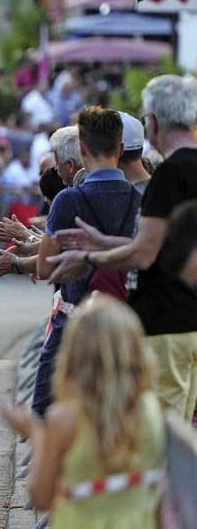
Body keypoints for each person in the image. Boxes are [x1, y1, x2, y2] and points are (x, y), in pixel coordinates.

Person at [47, 74, 197, 420]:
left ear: (154, 123)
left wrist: (88, 257)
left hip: (168, 322)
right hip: (189, 325)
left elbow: (143, 254)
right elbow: (164, 244)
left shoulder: (170, 173)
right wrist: (105, 242)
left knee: (162, 434)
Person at [1, 293, 165, 529]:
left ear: (75, 354)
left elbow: (42, 496)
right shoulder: (151, 409)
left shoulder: (65, 418)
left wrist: (35, 432)